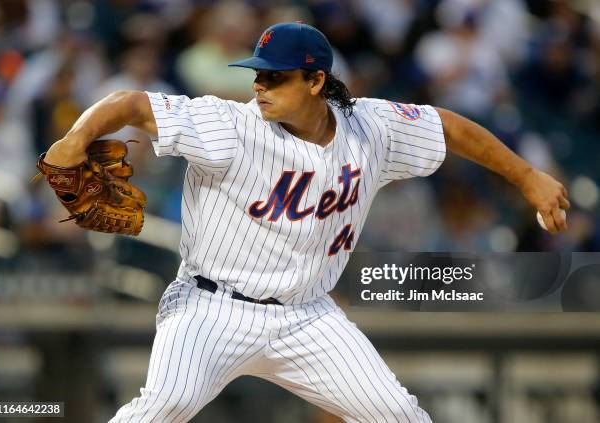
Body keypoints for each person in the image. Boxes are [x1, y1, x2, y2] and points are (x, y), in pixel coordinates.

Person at [44, 22, 569, 423]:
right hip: (210, 308)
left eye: (277, 76)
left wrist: (527, 178)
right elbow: (129, 103)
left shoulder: (370, 127)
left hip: (308, 319)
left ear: (317, 80)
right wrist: (73, 142)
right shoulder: (229, 125)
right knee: (164, 405)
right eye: (257, 73)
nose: (260, 85)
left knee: (403, 416)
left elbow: (448, 128)